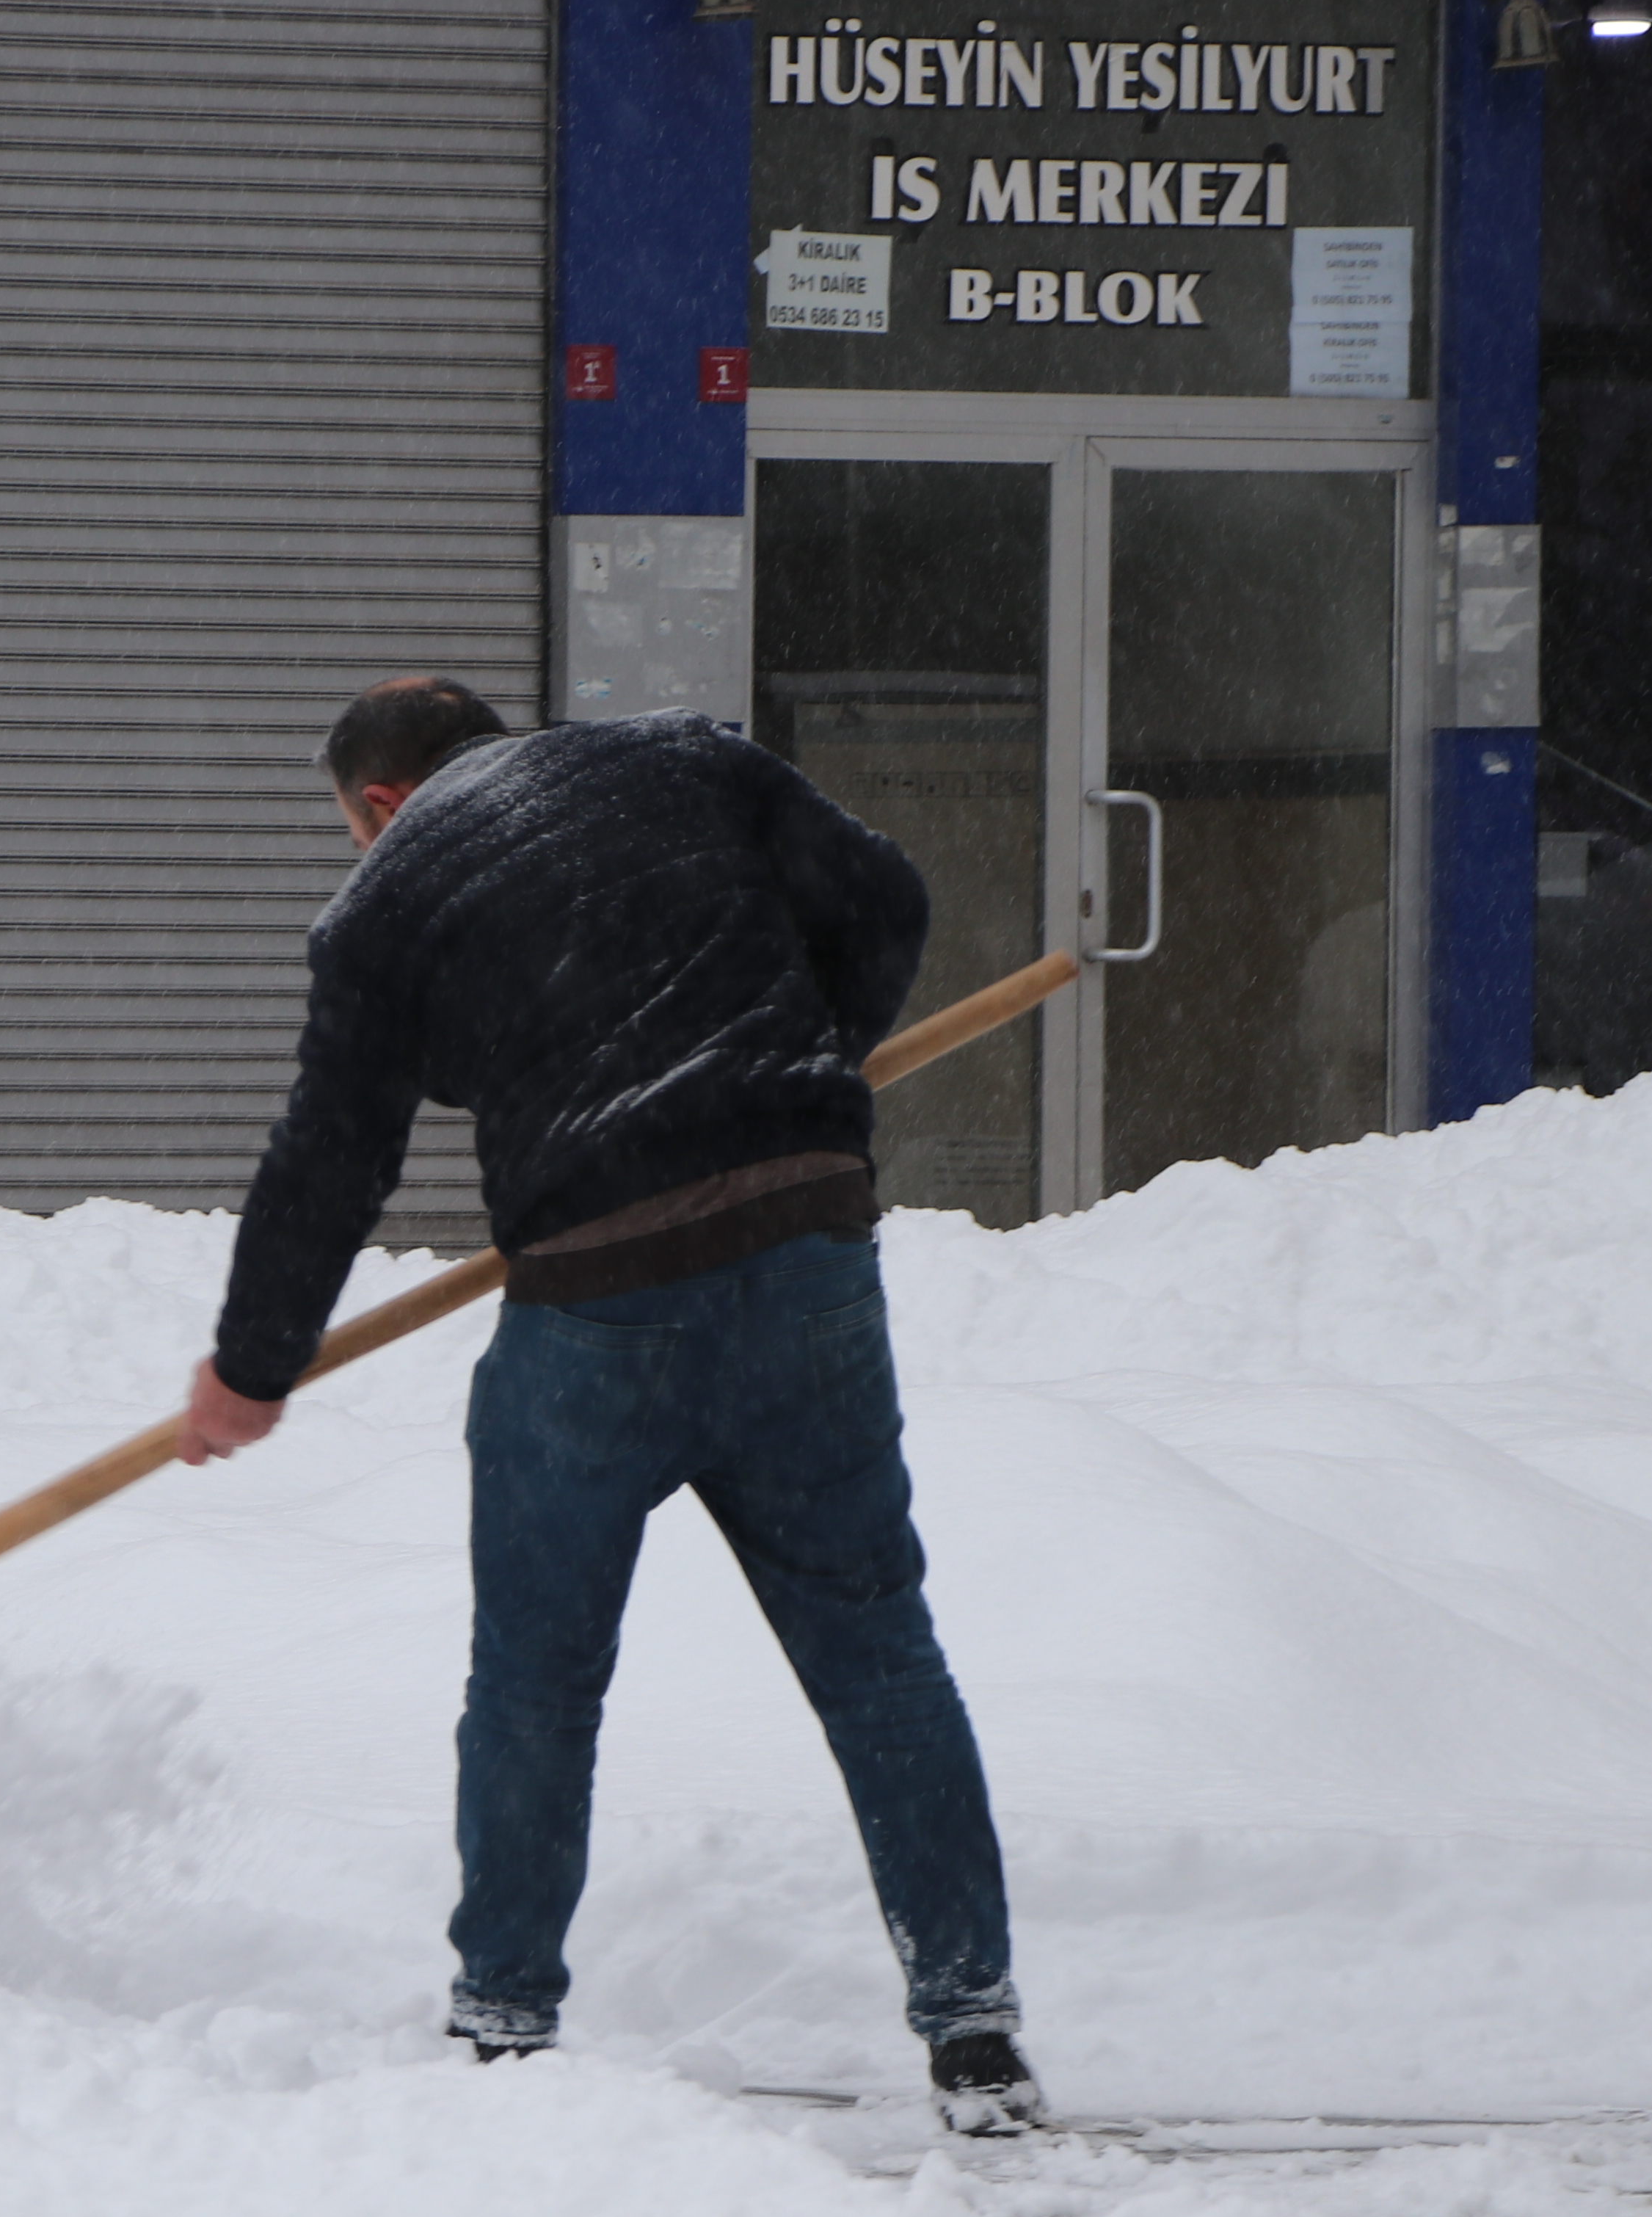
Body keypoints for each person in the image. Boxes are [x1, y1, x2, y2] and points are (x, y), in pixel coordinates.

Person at [180, 678, 1044, 2136]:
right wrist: (798, 1062)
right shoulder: (686, 764)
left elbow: (333, 1151)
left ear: (379, 804)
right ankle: (974, 2030)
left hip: (599, 1301)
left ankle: (505, 2021)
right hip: (806, 1260)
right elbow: (884, 895)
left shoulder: (389, 895)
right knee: (881, 1657)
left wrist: (252, 1365)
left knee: (535, 1679)